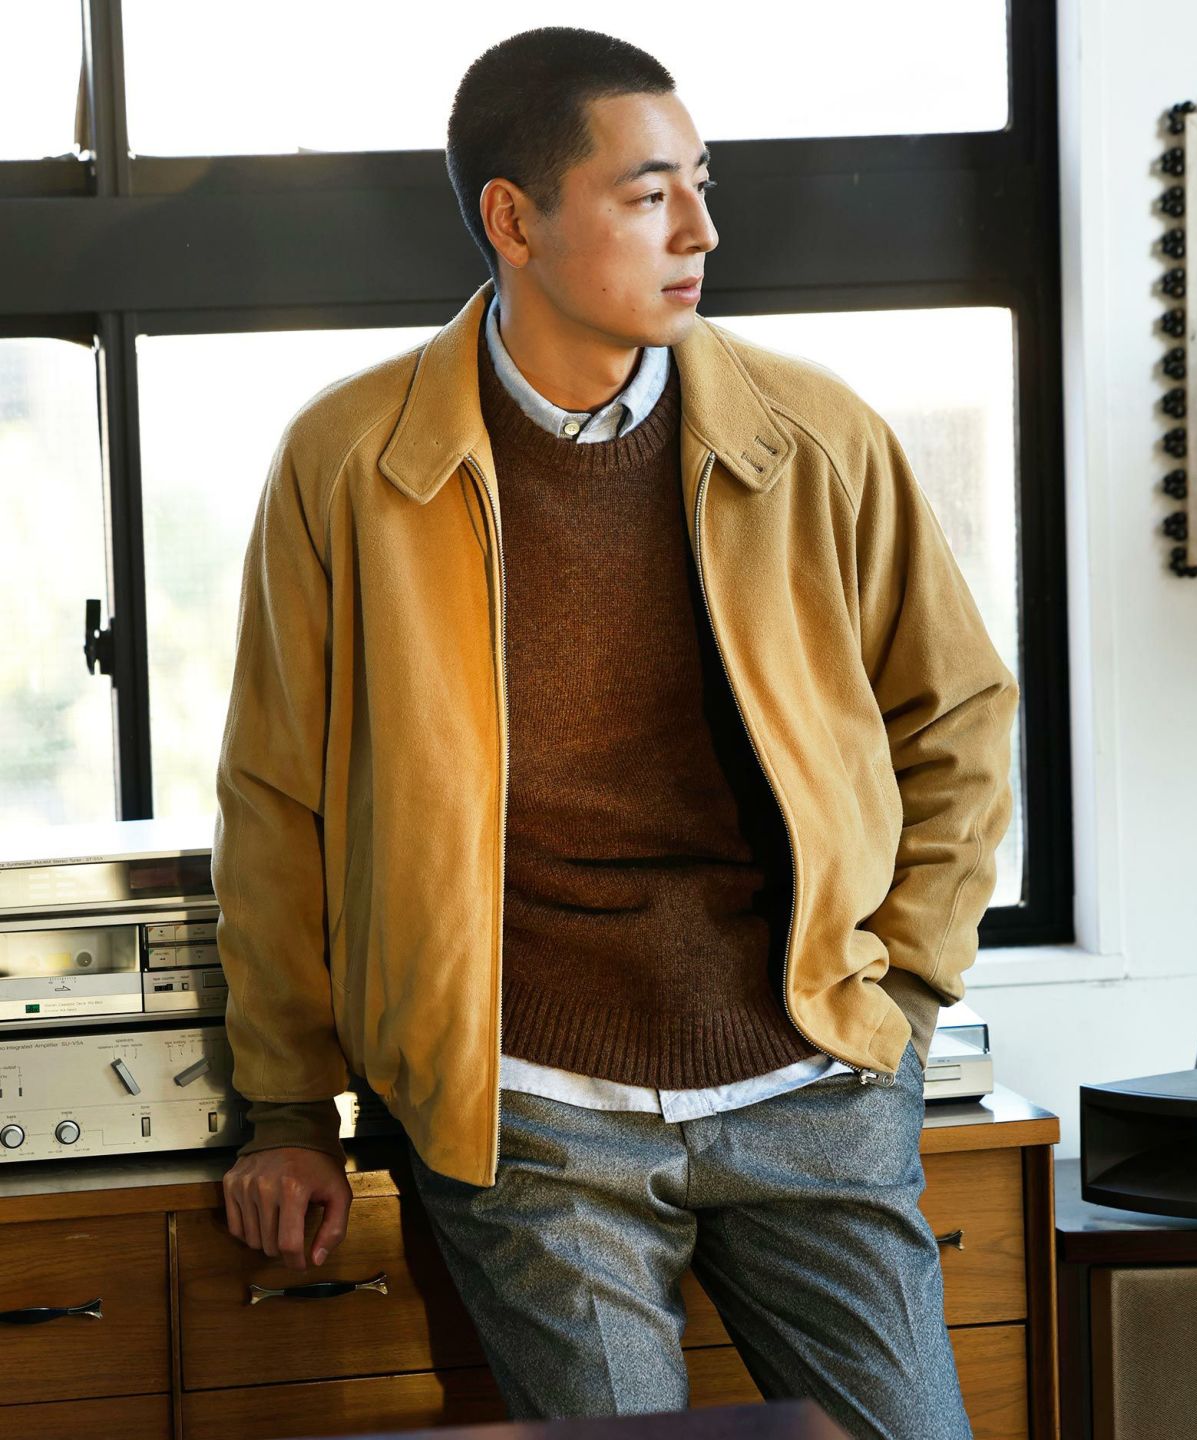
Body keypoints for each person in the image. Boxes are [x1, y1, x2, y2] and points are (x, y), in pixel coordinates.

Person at [213, 25, 1018, 1440]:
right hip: (525, 1109)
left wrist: (900, 1002)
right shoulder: (351, 463)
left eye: (702, 185)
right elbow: (279, 804)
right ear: (512, 219)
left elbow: (957, 716)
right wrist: (288, 1115)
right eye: (650, 195)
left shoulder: (817, 436)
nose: (700, 229)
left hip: (812, 1079)